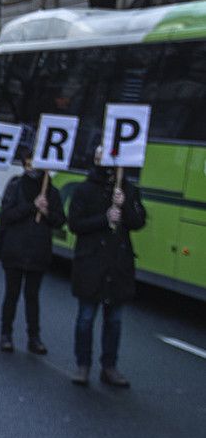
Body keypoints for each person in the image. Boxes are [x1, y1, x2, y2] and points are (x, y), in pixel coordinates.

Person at [67, 149, 145, 387]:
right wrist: (105, 218)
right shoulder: (83, 190)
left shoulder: (128, 189)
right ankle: (83, 365)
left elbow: (138, 221)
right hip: (91, 263)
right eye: (101, 155)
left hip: (118, 265)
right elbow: (75, 224)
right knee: (86, 318)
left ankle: (109, 366)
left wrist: (126, 207)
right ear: (95, 159)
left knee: (114, 321)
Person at [0, 145, 66, 354]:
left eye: (35, 163)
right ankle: (6, 334)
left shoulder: (51, 192)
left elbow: (60, 221)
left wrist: (45, 211)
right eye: (28, 162)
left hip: (38, 251)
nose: (31, 167)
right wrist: (31, 207)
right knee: (12, 294)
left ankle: (33, 337)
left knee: (32, 296)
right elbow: (6, 215)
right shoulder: (15, 186)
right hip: (15, 249)